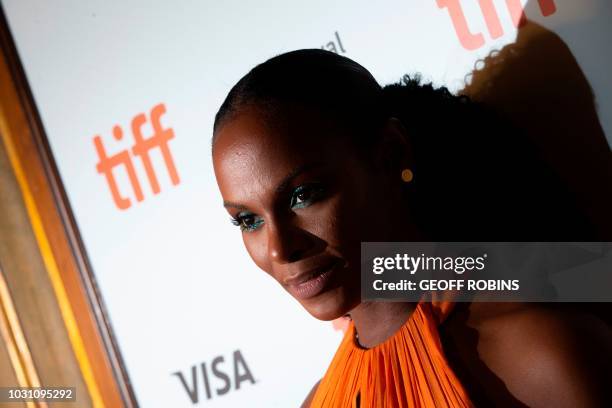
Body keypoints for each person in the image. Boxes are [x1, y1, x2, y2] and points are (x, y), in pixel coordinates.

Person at [211, 49, 611, 407]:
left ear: (390, 154)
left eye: (303, 195)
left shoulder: (535, 355)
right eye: (249, 220)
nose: (279, 249)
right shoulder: (318, 402)